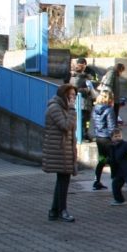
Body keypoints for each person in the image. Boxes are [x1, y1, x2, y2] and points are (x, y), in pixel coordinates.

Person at [43, 83, 78, 223]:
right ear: (64, 95)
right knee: (63, 181)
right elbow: (65, 126)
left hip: (64, 150)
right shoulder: (55, 108)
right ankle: (62, 211)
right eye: (71, 95)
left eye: (75, 95)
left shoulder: (62, 108)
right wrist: (72, 109)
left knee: (62, 180)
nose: (73, 98)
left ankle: (54, 211)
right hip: (59, 150)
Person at [91, 89, 117, 191]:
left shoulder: (95, 109)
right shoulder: (109, 110)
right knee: (113, 160)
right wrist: (116, 138)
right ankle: (115, 182)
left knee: (102, 159)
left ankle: (96, 181)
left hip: (99, 137)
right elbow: (112, 127)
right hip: (107, 139)